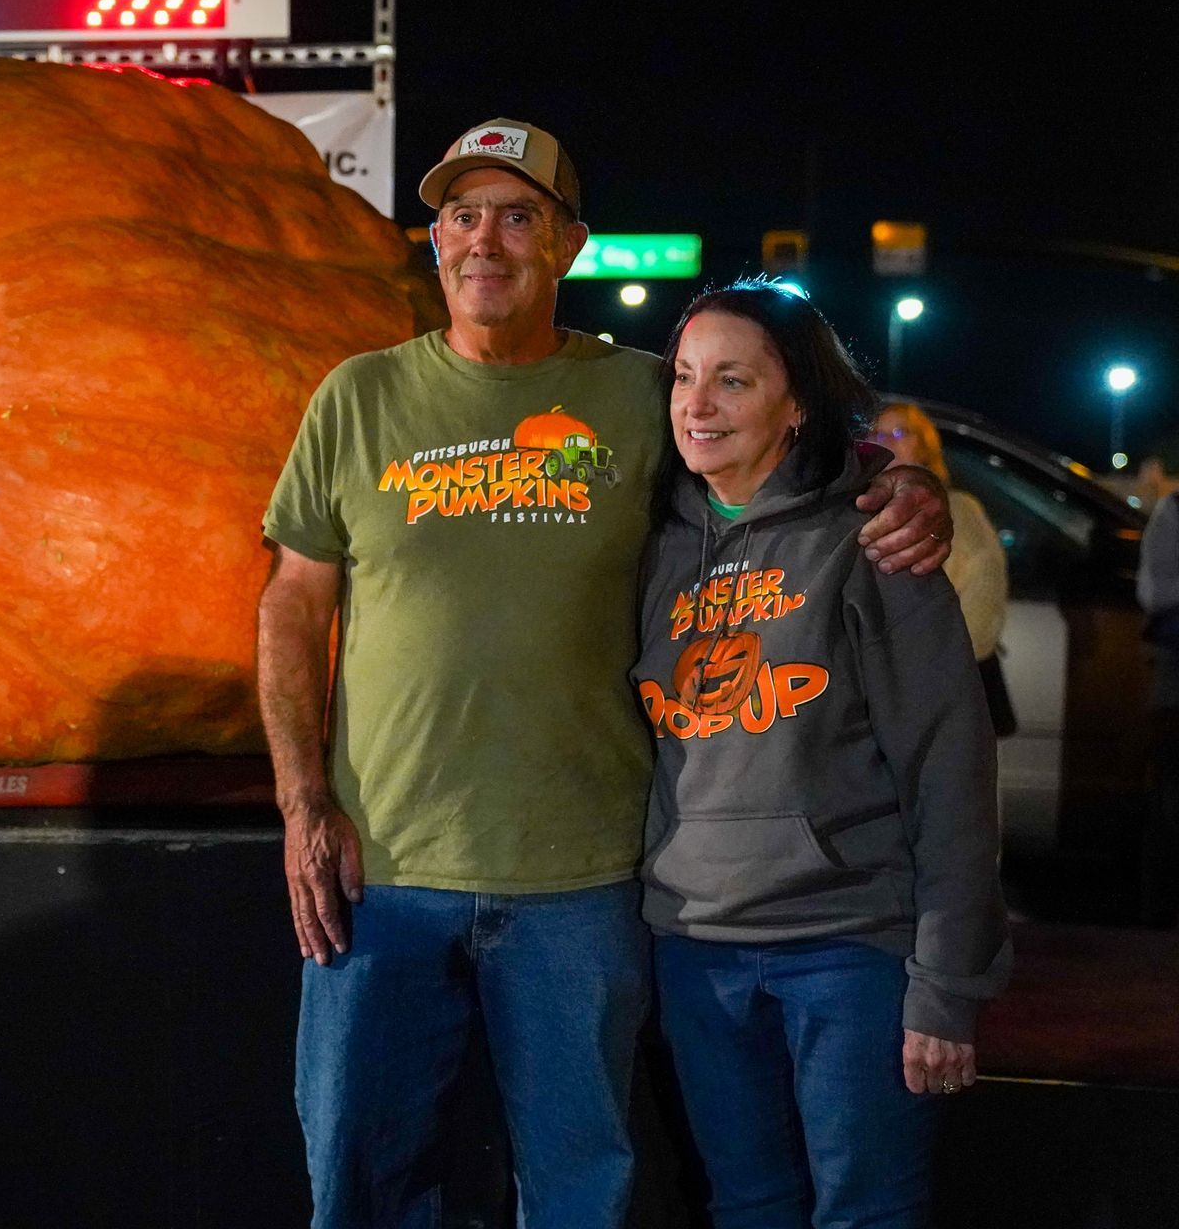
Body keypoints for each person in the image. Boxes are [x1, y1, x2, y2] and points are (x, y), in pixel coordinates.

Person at [257, 117, 953, 1228]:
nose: (486, 240)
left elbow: (786, 449)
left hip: (583, 877)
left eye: (519, 216)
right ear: (433, 242)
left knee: (581, 1189)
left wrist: (898, 479)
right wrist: (302, 800)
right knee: (359, 1179)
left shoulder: (639, 393)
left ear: (569, 244)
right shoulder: (357, 397)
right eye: (461, 215)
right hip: (380, 867)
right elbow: (294, 601)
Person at [632, 281, 1010, 1228]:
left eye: (732, 380)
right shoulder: (650, 543)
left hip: (846, 951)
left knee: (867, 1212)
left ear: (795, 401)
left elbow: (949, 769)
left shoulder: (873, 541)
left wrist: (946, 984)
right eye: (683, 378)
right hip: (694, 950)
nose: (697, 405)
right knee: (748, 1207)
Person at [871, 402, 1015, 732]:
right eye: (878, 433)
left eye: (899, 432)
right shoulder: (856, 510)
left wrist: (936, 670)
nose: (887, 441)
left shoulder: (957, 510)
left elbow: (983, 596)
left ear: (923, 445)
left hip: (939, 691)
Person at [1137, 489, 1179, 926]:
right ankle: (1160, 923)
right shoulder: (1174, 511)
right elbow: (1157, 592)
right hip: (1176, 686)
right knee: (1170, 807)